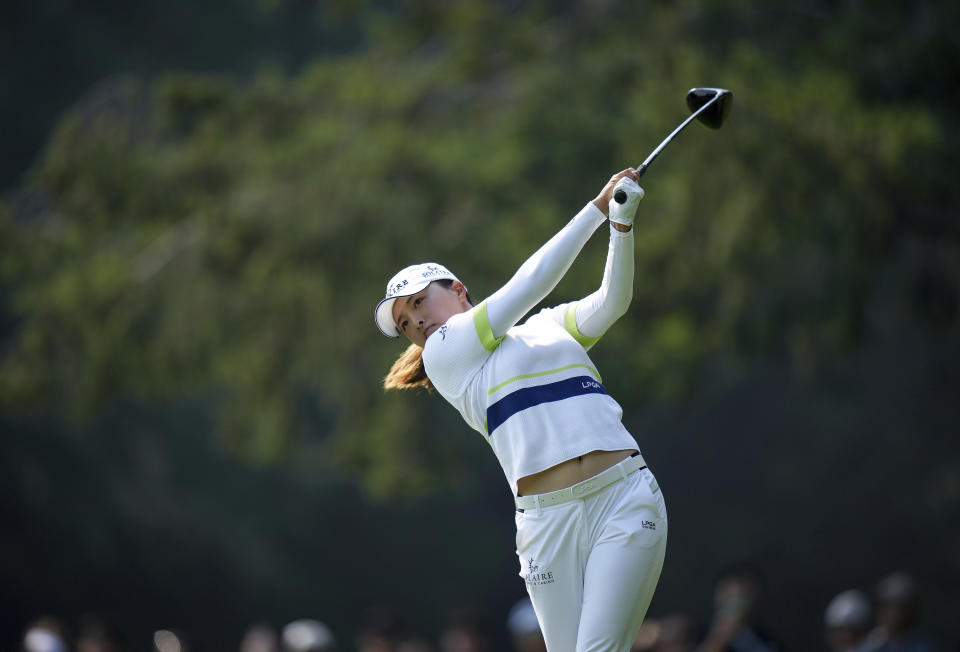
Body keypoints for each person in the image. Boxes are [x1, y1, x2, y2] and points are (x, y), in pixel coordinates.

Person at [375, 168, 667, 651]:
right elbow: (530, 283)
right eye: (405, 321)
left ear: (458, 288)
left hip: (623, 498)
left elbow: (611, 303)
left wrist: (621, 224)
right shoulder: (445, 355)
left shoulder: (549, 328)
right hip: (546, 523)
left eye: (421, 302)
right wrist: (595, 209)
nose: (418, 320)